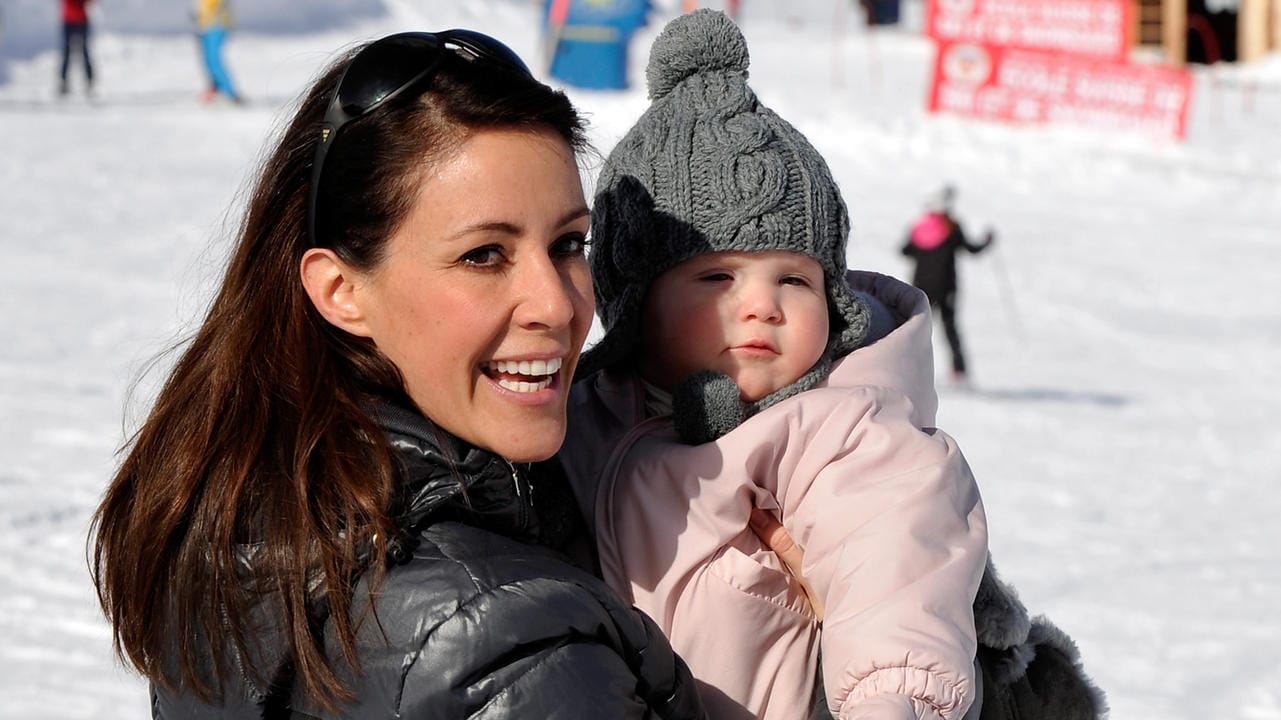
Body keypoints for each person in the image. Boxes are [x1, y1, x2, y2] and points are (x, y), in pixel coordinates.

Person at [90, 29, 706, 718]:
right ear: (340, 290)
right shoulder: (513, 649)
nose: (558, 304)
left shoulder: (243, 513)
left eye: (567, 244)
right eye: (483, 255)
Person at [558, 10, 989, 719]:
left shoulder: (839, 431)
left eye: (794, 279)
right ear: (634, 302)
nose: (762, 306)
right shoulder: (580, 417)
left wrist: (890, 701)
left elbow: (892, 569)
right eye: (717, 279)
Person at [900, 185, 994, 382]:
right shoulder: (951, 227)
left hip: (921, 285)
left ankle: (909, 367)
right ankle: (958, 370)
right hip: (947, 285)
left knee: (918, 328)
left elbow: (905, 251)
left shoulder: (919, 227)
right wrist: (987, 242)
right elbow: (971, 249)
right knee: (950, 327)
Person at [194, 0, 242, 103]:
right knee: (208, 60)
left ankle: (230, 93)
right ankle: (216, 89)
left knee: (213, 59)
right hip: (205, 26)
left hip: (216, 25)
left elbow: (221, 7)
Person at [58, 0, 93, 97]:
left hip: (81, 20)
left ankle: (89, 81)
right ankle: (63, 82)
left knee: (85, 51)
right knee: (66, 52)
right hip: (68, 20)